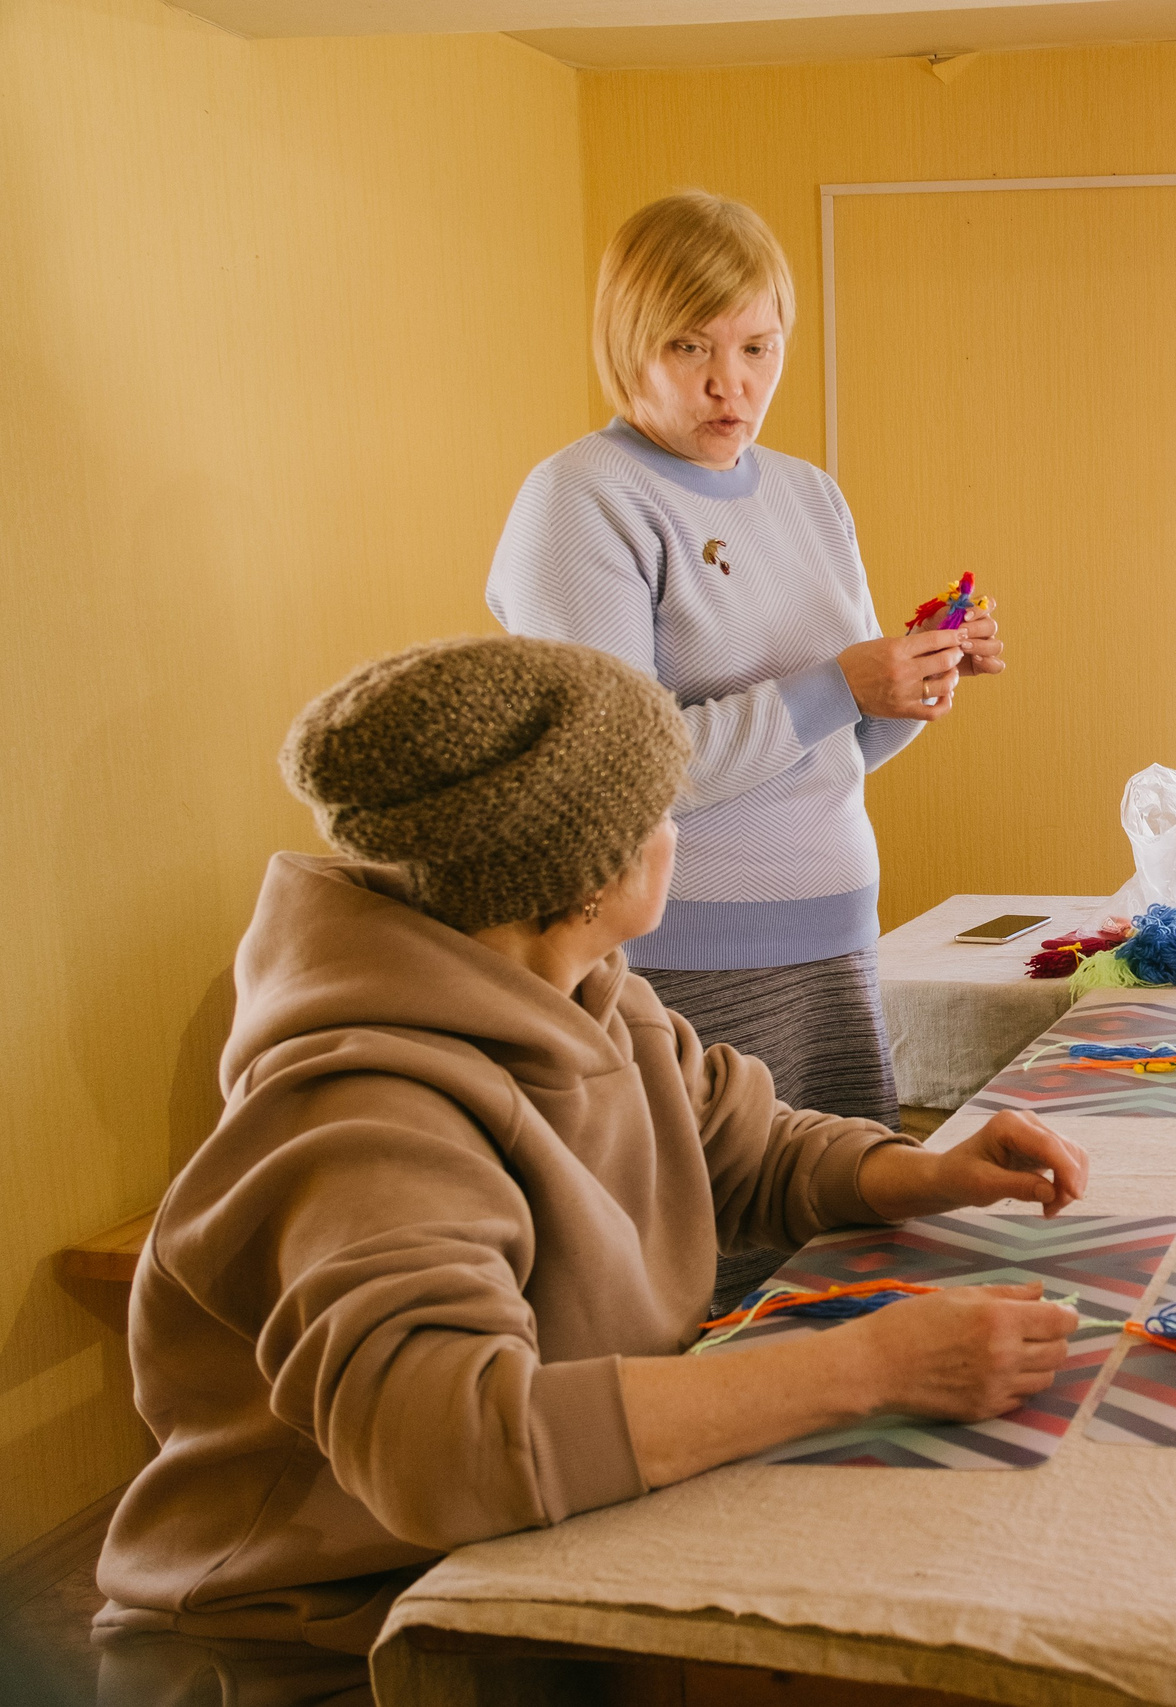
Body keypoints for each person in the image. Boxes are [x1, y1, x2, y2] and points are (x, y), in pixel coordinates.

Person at [95, 637, 1082, 1706]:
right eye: (660, 810)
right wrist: (868, 1369)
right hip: (338, 1647)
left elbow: (743, 1147)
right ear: (588, 875)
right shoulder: (362, 1113)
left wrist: (923, 1173)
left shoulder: (584, 985)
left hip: (541, 1570)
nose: (677, 832)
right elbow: (453, 1452)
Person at [486, 189, 999, 1310]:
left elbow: (829, 754)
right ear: (628, 344)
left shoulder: (811, 496)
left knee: (847, 1277)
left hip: (836, 945)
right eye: (691, 347)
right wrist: (839, 684)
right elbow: (612, 775)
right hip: (680, 969)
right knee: (711, 1293)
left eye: (758, 347)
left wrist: (908, 687)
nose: (733, 384)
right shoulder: (582, 498)